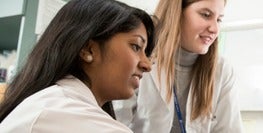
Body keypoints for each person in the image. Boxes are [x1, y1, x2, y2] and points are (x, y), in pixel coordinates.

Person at [0, 0, 155, 132]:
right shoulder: (62, 113)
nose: (147, 65)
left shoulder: (53, 103)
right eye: (136, 46)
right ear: (88, 49)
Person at [113, 0, 243, 132]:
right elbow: (114, 125)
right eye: (206, 15)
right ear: (176, 13)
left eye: (219, 20)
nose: (214, 29)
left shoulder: (222, 70)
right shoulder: (139, 59)